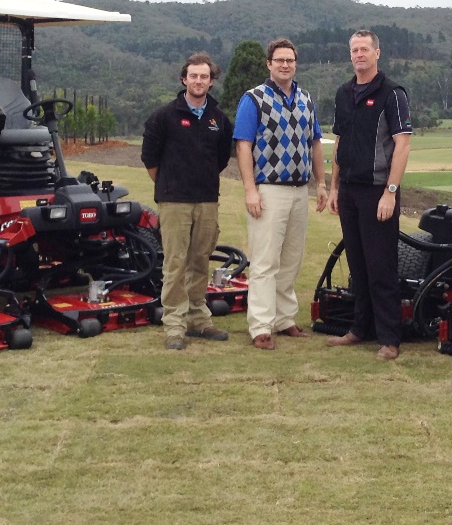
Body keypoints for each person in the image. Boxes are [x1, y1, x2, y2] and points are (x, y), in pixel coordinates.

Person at [233, 39, 329, 350]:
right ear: (269, 64)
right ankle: (260, 326)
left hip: (300, 190)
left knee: (291, 259)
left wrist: (322, 184)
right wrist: (250, 189)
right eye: (279, 60)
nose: (284, 65)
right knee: (264, 261)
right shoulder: (254, 99)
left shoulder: (305, 99)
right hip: (269, 189)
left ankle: (284, 318)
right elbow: (244, 145)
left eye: (290, 60)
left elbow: (315, 143)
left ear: (296, 63)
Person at [326, 29, 412, 361]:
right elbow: (340, 143)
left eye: (365, 49)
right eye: (354, 50)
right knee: (357, 264)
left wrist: (391, 192)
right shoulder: (344, 93)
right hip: (348, 189)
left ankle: (389, 339)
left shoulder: (392, 94)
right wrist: (334, 187)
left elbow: (402, 144)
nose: (359, 54)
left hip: (379, 191)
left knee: (381, 266)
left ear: (378, 53)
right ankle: (359, 329)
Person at [141, 53, 235, 350]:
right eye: (193, 76)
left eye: (204, 77)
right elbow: (150, 159)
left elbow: (220, 159)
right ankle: (174, 326)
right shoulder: (163, 116)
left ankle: (198, 319)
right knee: (175, 263)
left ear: (211, 80)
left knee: (200, 261)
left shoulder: (218, 119)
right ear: (184, 79)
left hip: (207, 200)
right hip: (174, 202)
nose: (198, 81)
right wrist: (171, 184)